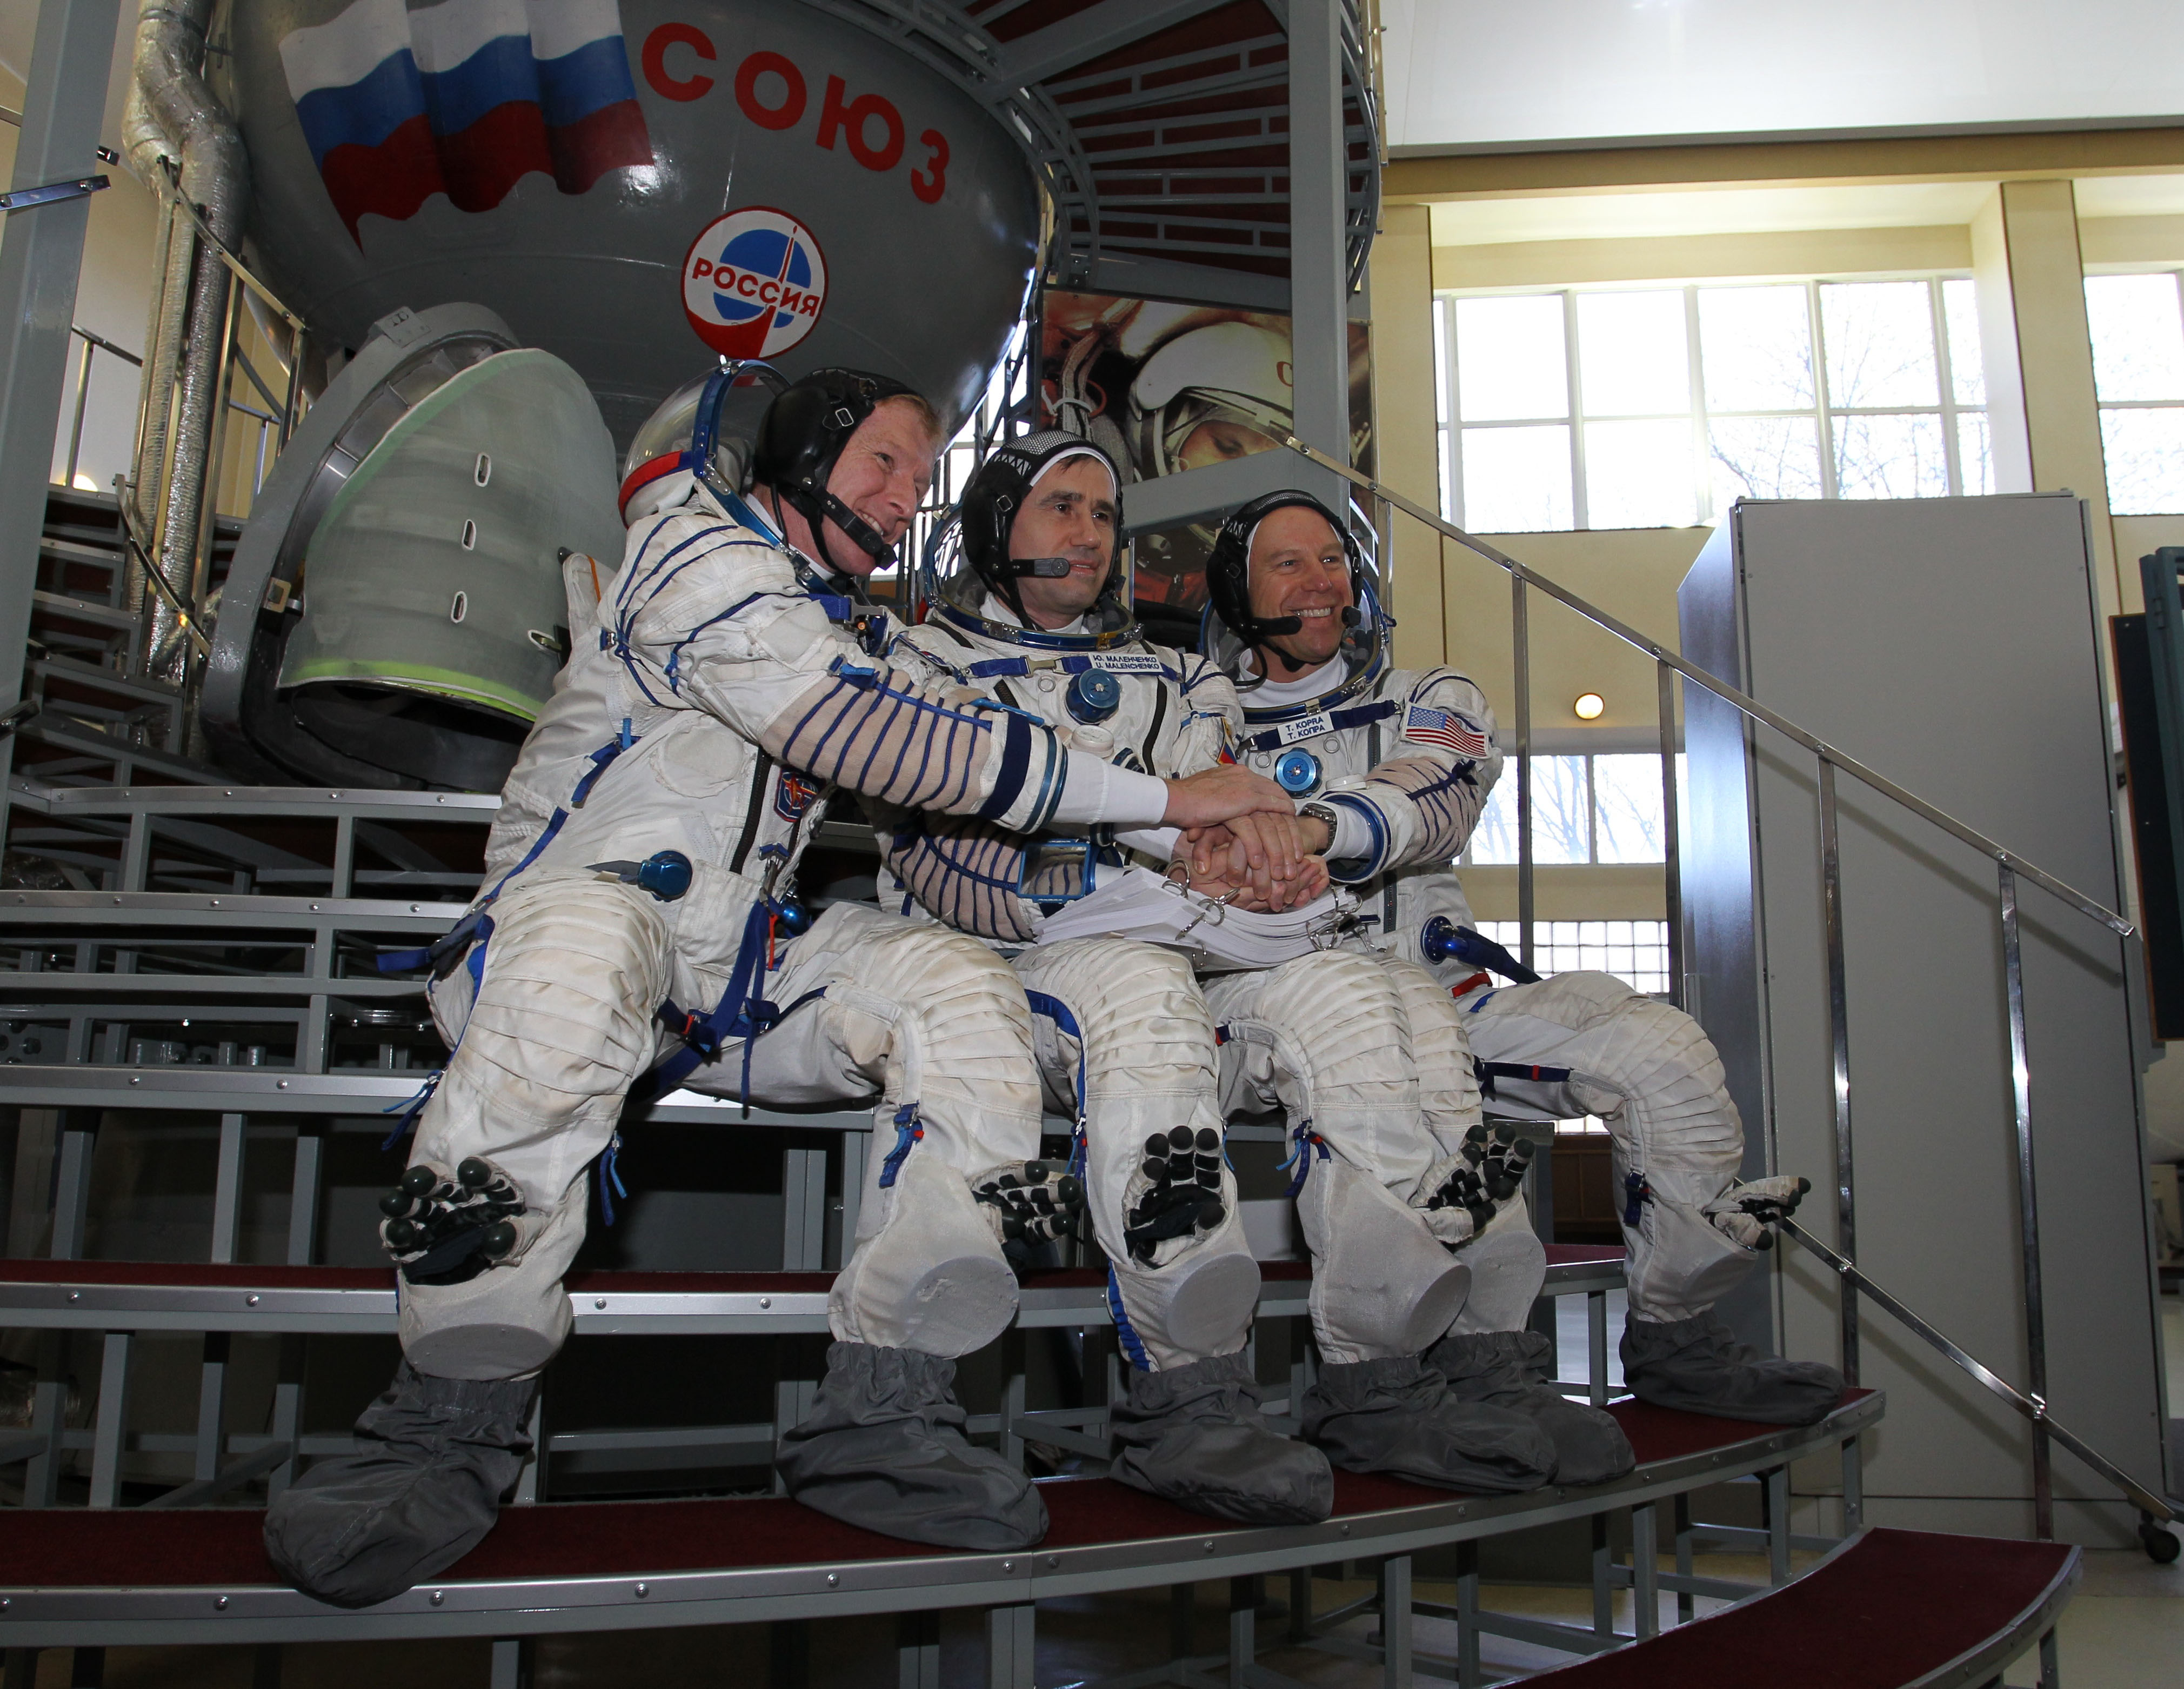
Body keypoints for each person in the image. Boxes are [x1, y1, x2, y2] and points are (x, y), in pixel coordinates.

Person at [262, 368, 1297, 1608]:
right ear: (802, 454)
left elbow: (988, 742)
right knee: (584, 957)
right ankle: (442, 1422)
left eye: (920, 479)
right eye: (883, 462)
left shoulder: (843, 623)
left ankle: (886, 1406)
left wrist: (1202, 833)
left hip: (736, 967)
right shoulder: (693, 554)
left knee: (959, 989)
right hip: (581, 929)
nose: (902, 497)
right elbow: (865, 734)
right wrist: (1175, 801)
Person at [881, 432, 1555, 1504]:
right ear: (995, 525)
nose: (1088, 535)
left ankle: (1379, 1378)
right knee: (1140, 991)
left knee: (1360, 989)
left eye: (1105, 515)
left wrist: (1260, 870)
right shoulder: (918, 663)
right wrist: (1113, 880)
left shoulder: (1180, 678)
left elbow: (1230, 810)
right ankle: (1185, 1395)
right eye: (1061, 508)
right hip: (1008, 985)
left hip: (1187, 954)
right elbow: (937, 856)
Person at [1192, 489, 1846, 1433]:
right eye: (1287, 563)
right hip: (1267, 1021)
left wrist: (1305, 828)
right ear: (1237, 589)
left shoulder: (1430, 697)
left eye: (1332, 559)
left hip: (1443, 1010)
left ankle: (1677, 1334)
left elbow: (1433, 799)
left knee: (1663, 1054)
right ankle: (1432, 1378)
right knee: (1397, 1080)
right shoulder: (1196, 721)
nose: (1319, 581)